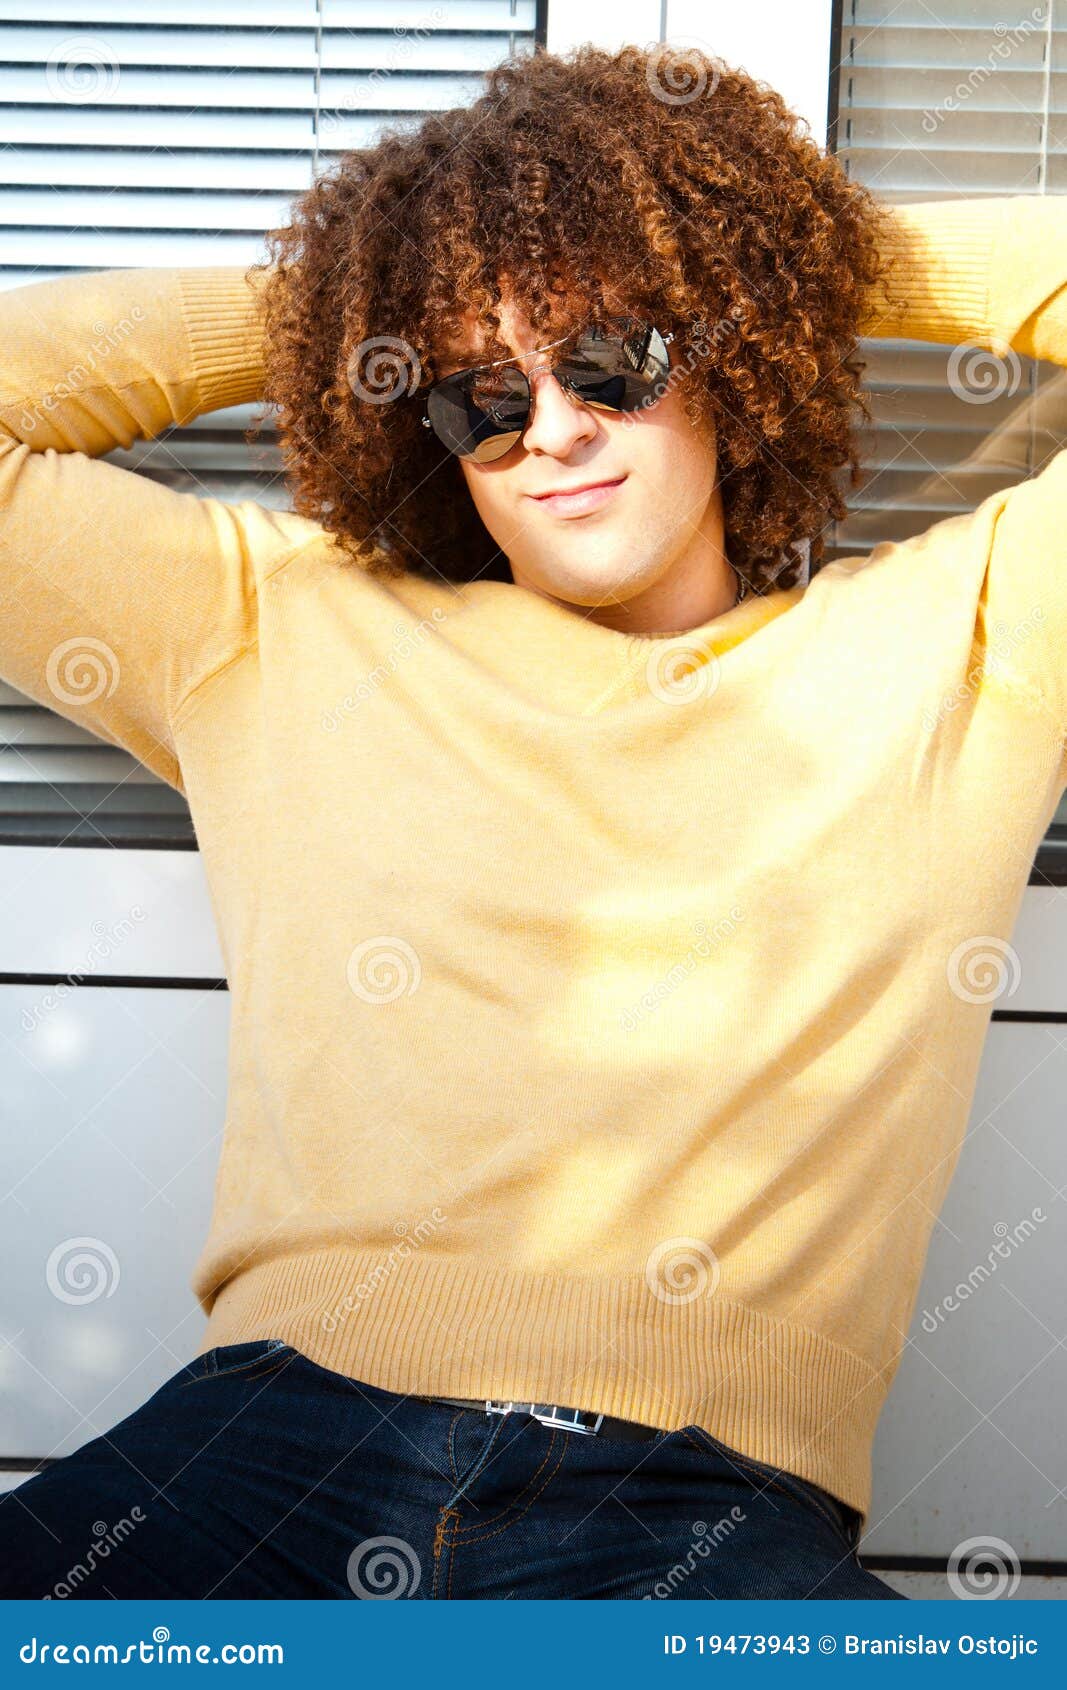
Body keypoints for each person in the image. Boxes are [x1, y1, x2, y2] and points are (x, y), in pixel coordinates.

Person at [1, 40, 1064, 1600]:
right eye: (480, 392)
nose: (553, 428)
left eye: (616, 355)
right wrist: (352, 298)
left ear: (730, 346)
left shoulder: (972, 640)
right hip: (265, 1456)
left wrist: (780, 247)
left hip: (701, 1509)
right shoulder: (274, 622)